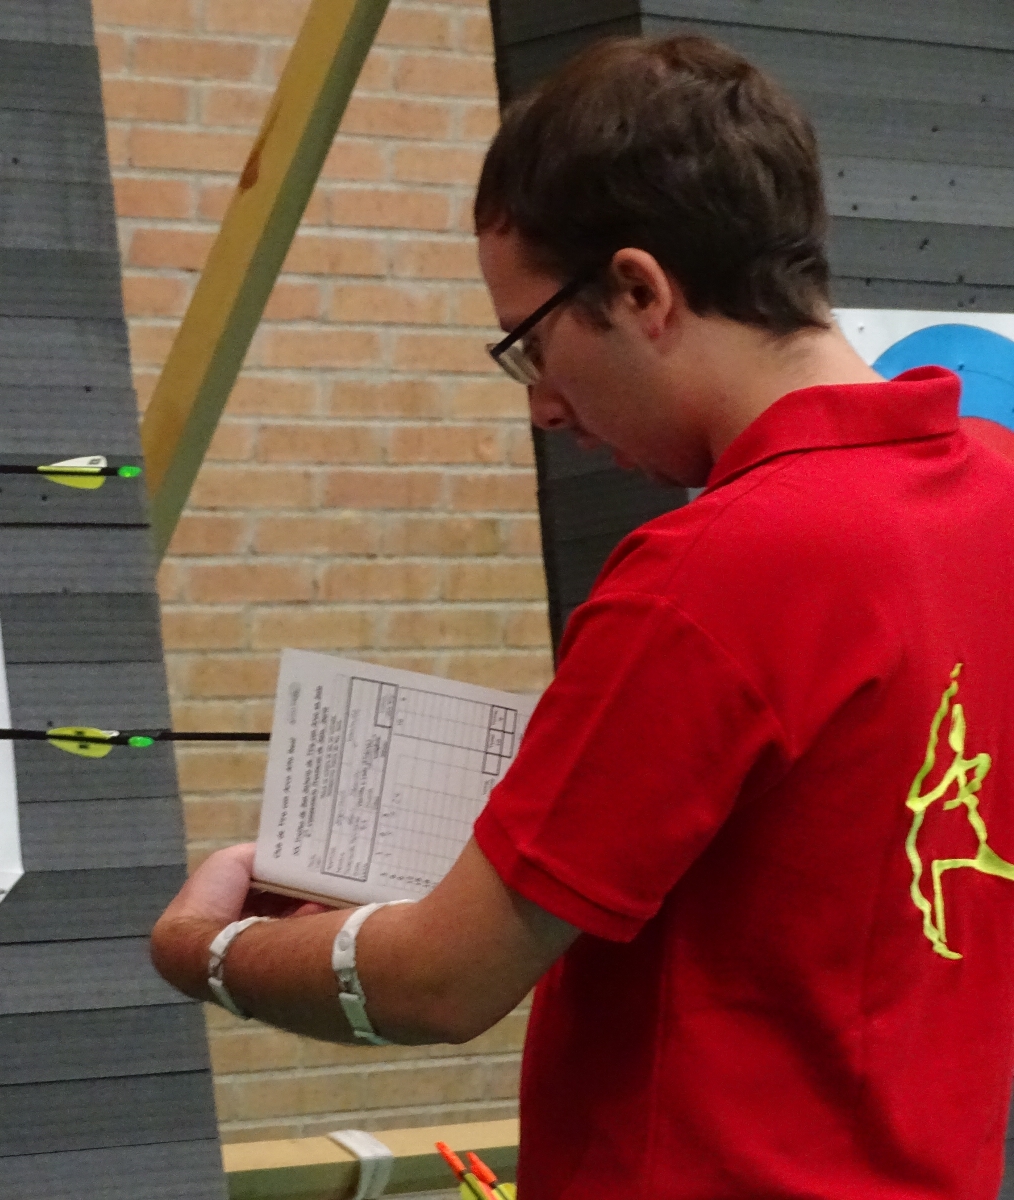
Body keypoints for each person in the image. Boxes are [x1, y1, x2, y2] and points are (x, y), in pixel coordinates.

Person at [150, 32, 1014, 1198]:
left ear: (639, 289)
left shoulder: (714, 568)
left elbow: (434, 984)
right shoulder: (995, 489)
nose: (546, 404)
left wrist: (209, 948)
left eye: (532, 341)